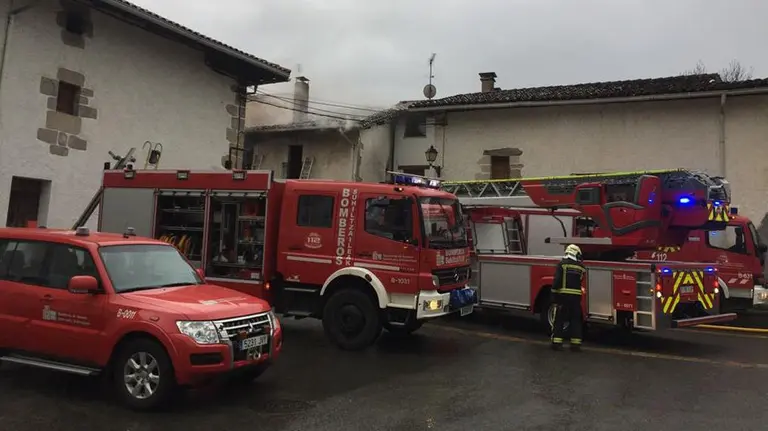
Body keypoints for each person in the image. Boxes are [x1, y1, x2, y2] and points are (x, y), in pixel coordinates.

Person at [551, 244, 586, 352]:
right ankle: (575, 344)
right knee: (575, 320)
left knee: (559, 319)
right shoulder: (581, 267)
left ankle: (557, 343)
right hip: (576, 298)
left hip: (563, 297)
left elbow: (557, 281)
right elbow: (580, 281)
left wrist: (553, 293)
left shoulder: (561, 265)